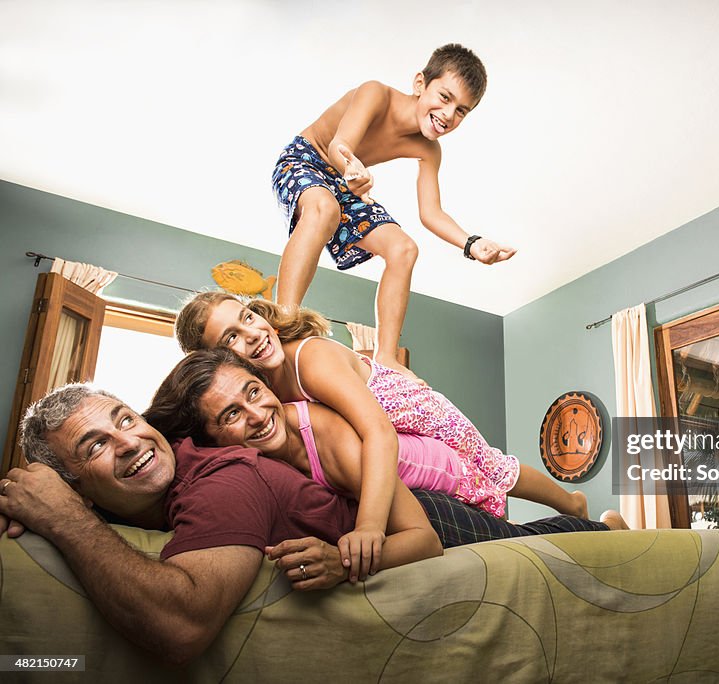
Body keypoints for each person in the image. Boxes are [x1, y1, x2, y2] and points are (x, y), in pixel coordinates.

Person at [0, 385, 620, 665]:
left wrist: (62, 518)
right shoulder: (136, 493)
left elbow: (180, 624)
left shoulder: (224, 477)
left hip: (426, 518)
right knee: (535, 538)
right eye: (95, 445)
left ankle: (611, 529)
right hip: (390, 517)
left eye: (126, 418)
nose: (130, 440)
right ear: (75, 485)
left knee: (544, 547)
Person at [145, 348, 611, 579]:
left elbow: (423, 541)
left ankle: (606, 528)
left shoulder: (327, 439)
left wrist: (345, 557)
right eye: (230, 415)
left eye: (253, 392)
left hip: (435, 479)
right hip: (410, 485)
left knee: (517, 540)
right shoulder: (246, 465)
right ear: (212, 439)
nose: (255, 415)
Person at [175, 291, 589, 524]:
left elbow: (376, 431)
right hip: (391, 426)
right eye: (231, 337)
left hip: (420, 413)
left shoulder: (309, 360)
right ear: (218, 361)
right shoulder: (260, 391)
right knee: (456, 479)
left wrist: (370, 526)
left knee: (493, 468)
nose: (252, 334)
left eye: (247, 317)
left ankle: (571, 506)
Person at [273, 43, 515, 383]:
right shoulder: (376, 94)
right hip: (306, 160)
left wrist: (472, 244)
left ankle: (386, 356)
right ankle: (285, 319)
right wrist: (351, 165)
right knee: (324, 207)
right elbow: (338, 146)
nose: (448, 115)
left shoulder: (429, 150)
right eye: (444, 97)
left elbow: (431, 212)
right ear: (420, 84)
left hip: (346, 181)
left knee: (404, 249)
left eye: (462, 110)